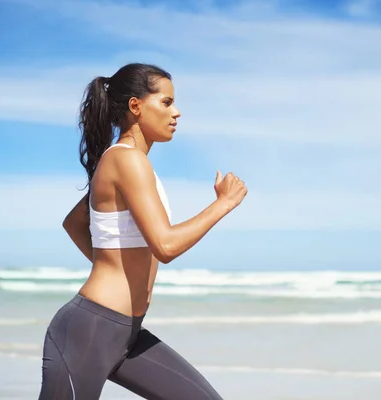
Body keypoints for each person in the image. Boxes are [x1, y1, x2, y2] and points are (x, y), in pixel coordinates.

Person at [38, 63, 247, 400]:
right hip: (91, 330)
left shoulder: (127, 162)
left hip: (126, 335)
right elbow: (165, 245)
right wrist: (223, 204)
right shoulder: (127, 160)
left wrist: (113, 260)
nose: (176, 112)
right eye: (166, 103)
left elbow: (75, 222)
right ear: (136, 106)